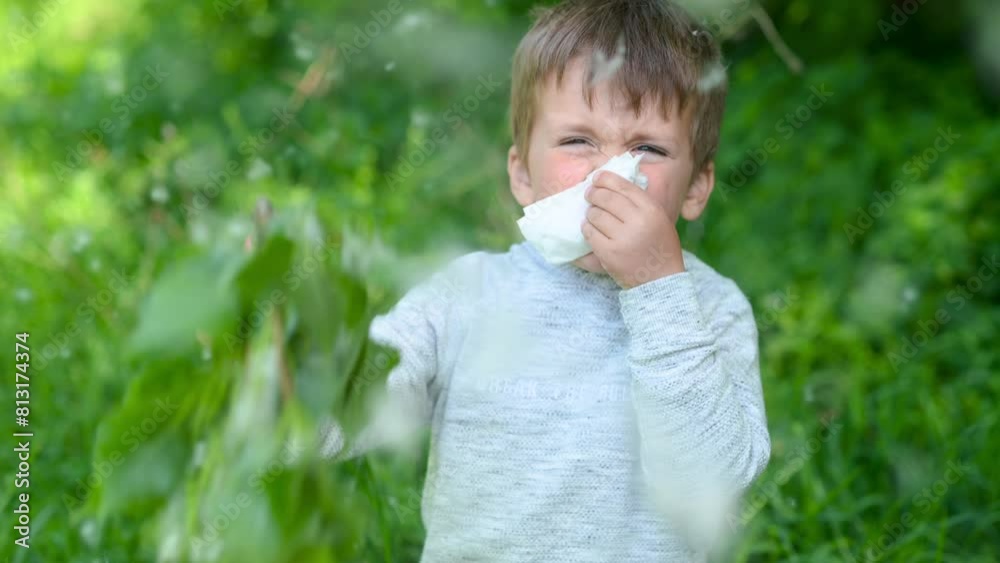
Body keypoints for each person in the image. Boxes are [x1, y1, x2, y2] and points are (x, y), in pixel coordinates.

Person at [322, 1, 771, 560]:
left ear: (697, 187)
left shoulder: (711, 308)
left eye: (648, 149)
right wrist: (279, 364)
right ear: (522, 175)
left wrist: (657, 289)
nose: (609, 174)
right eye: (578, 140)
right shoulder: (465, 296)